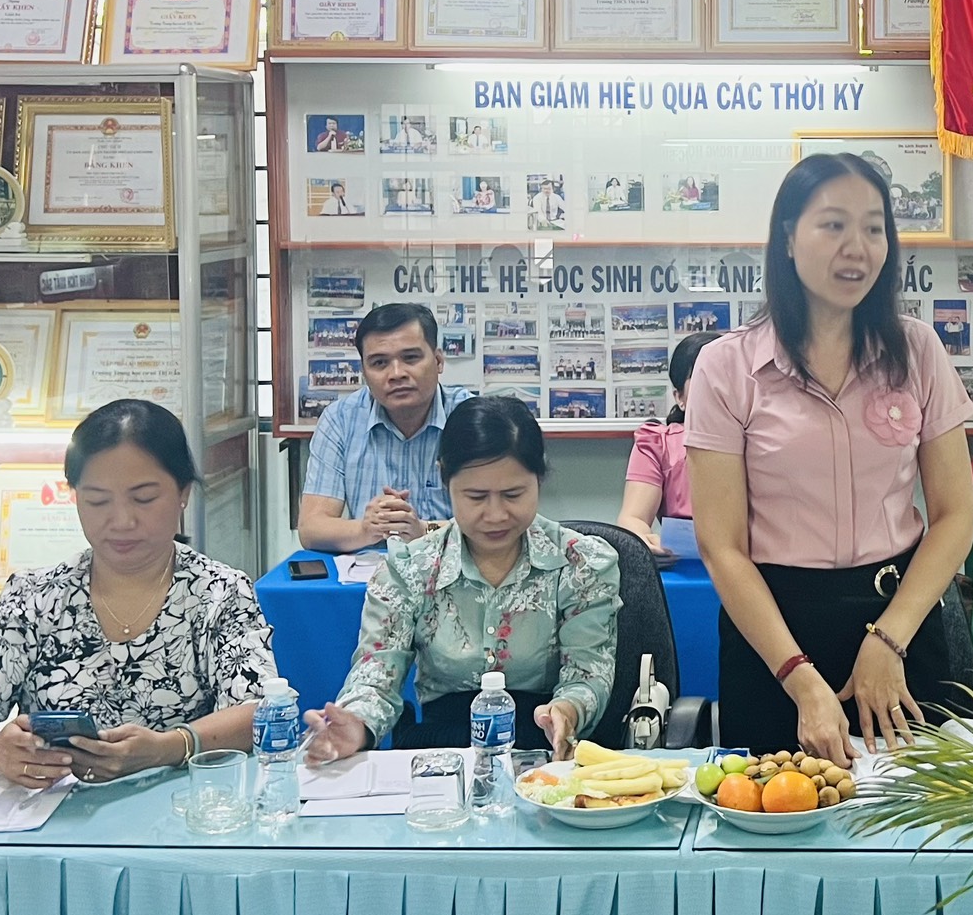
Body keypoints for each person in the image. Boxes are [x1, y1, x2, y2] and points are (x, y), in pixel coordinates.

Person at [687, 152, 973, 763]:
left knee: (909, 813)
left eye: (874, 228)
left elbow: (955, 516)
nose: (858, 248)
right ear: (788, 238)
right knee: (781, 810)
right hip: (774, 637)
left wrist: (888, 642)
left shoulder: (918, 352)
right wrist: (800, 678)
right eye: (834, 225)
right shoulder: (726, 367)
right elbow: (721, 546)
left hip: (898, 623)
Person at [0, 400, 274, 786]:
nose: (121, 520)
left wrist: (169, 747)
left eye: (144, 498)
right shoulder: (35, 598)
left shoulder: (218, 594)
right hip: (55, 813)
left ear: (183, 493)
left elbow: (257, 712)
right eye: (98, 500)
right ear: (75, 496)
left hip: (183, 809)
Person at [307, 394, 620, 760]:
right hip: (441, 748)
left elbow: (589, 672)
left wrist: (566, 711)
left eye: (513, 494)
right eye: (476, 496)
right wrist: (356, 723)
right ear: (445, 479)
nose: (495, 514)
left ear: (539, 478)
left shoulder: (580, 563)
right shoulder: (410, 568)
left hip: (542, 746)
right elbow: (375, 677)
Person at [296, 303, 475, 552]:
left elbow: (495, 521)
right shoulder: (340, 419)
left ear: (438, 361)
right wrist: (365, 529)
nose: (396, 373)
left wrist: (423, 530)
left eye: (410, 358)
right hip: (368, 570)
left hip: (454, 564)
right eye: (380, 363)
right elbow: (311, 529)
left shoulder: (471, 418)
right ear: (364, 372)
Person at [616, 331, 720, 559]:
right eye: (703, 376)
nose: (719, 386)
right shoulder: (657, 443)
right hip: (681, 565)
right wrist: (642, 537)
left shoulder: (763, 441)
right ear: (680, 397)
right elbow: (633, 517)